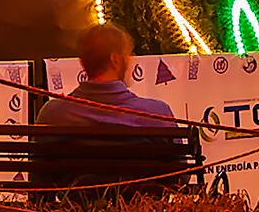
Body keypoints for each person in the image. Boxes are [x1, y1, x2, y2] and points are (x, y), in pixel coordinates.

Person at [36, 23, 179, 135]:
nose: (131, 61)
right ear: (115, 60)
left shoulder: (53, 114)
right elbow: (179, 164)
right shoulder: (158, 114)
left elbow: (41, 165)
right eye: (128, 55)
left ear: (83, 62)